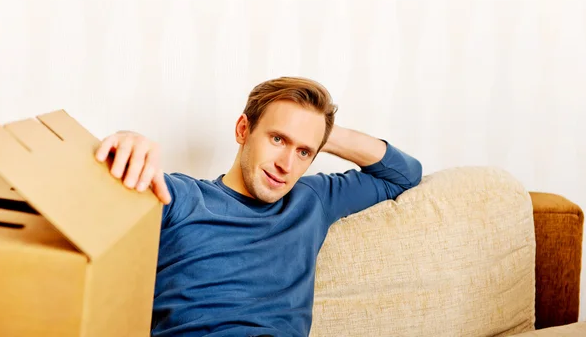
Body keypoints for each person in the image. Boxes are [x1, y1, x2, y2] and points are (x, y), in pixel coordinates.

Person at [95, 77, 422, 337]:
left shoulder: (312, 200)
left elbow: (403, 175)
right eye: (278, 139)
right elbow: (92, 201)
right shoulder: (179, 195)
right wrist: (127, 138)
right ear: (243, 129)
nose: (286, 164)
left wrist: (320, 132)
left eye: (304, 152)